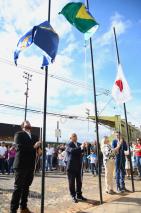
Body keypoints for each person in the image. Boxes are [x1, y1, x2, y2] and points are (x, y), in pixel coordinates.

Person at [10, 121, 41, 213]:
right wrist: (34, 146)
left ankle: (23, 206)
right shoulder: (19, 134)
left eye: (29, 123)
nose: (28, 124)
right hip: (21, 164)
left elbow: (39, 150)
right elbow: (20, 147)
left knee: (26, 187)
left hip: (31, 165)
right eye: (26, 123)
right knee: (18, 188)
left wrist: (40, 150)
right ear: (22, 126)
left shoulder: (35, 136)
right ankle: (13, 209)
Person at [66, 133, 87, 203]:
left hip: (79, 166)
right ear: (70, 138)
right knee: (71, 182)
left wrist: (84, 147)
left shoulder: (79, 144)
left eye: (76, 136)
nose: (75, 137)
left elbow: (82, 151)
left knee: (79, 182)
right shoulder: (68, 144)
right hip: (71, 167)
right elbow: (72, 151)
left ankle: (79, 195)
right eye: (74, 136)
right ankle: (73, 195)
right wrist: (81, 147)